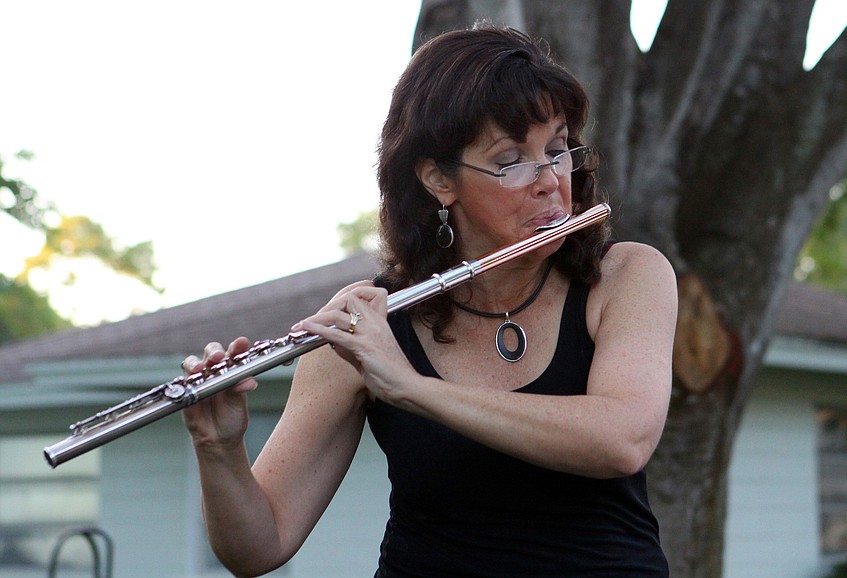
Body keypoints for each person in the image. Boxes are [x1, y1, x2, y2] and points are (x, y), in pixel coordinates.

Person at [181, 23, 678, 577]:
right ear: (439, 181)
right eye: (512, 159)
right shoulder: (369, 321)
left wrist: (414, 390)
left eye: (558, 150)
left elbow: (622, 439)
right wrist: (219, 449)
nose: (549, 180)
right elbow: (257, 547)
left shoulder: (626, 276)